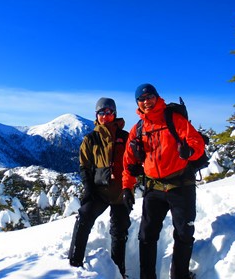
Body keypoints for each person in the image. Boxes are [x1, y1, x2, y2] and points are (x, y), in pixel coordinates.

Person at [122, 83, 205, 279]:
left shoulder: (174, 119)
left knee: (184, 233)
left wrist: (190, 152)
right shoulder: (138, 129)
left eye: (149, 97)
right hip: (154, 188)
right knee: (146, 236)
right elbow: (128, 161)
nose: (146, 102)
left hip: (180, 185)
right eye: (141, 100)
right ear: (138, 104)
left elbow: (196, 142)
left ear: (157, 97)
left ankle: (180, 275)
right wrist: (127, 187)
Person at [69, 97, 134, 278]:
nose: (105, 116)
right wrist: (88, 189)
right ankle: (74, 264)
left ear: (114, 114)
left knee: (119, 232)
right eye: (101, 113)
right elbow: (85, 166)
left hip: (121, 191)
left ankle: (118, 271)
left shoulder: (125, 137)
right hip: (99, 191)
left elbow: (134, 161)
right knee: (83, 218)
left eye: (109, 112)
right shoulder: (91, 139)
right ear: (96, 116)